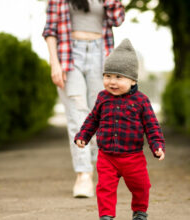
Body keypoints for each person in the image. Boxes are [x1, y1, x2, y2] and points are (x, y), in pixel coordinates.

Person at [74, 39, 166, 220]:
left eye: (118, 77)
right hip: (107, 156)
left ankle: (140, 212)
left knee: (142, 186)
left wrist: (157, 145)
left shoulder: (141, 100)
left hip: (133, 157)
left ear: (132, 80)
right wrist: (83, 135)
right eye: (107, 76)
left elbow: (152, 125)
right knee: (104, 188)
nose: (112, 82)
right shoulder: (102, 98)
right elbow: (92, 119)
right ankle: (106, 215)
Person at [42, 0, 125, 198]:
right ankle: (83, 175)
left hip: (101, 55)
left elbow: (118, 19)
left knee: (100, 116)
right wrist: (54, 63)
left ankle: (98, 168)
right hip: (69, 55)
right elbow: (50, 30)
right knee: (77, 116)